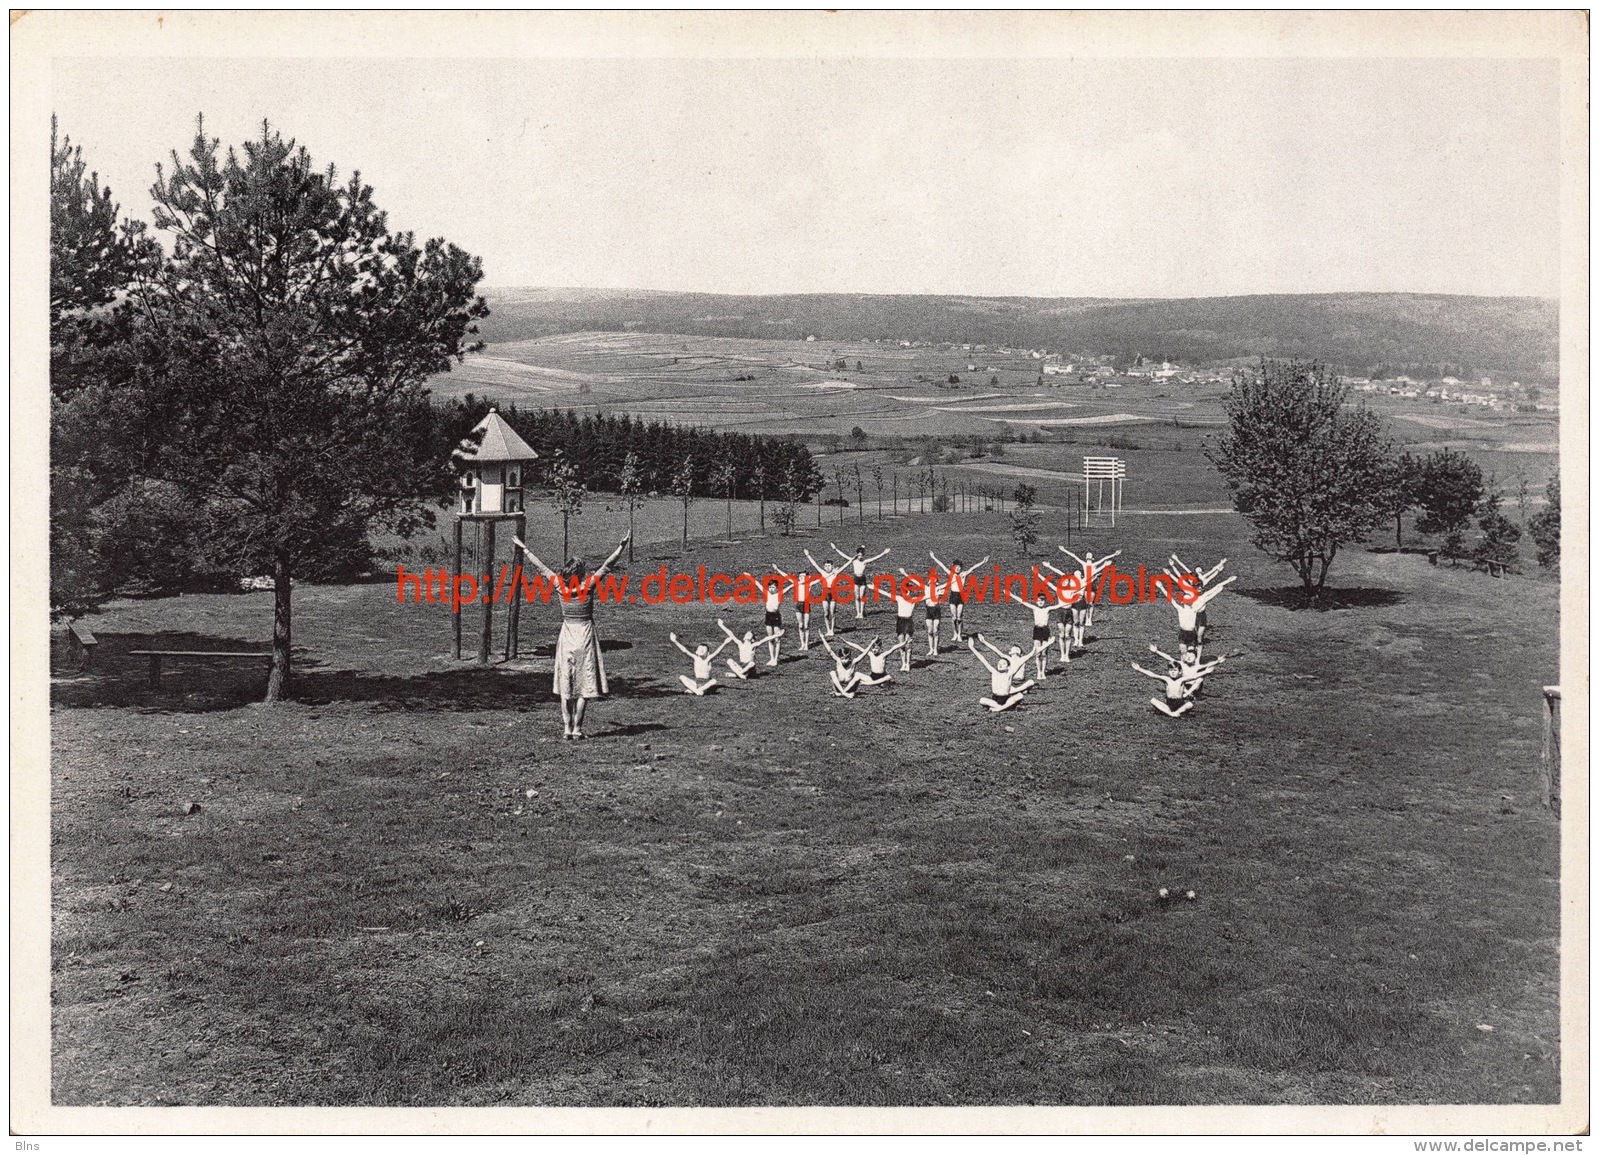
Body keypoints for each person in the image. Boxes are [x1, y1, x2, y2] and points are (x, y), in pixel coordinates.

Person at [514, 532, 630, 740]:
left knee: (566, 684)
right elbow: (608, 565)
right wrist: (621, 546)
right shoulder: (588, 585)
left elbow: (541, 567)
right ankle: (577, 728)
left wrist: (525, 548)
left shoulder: (559, 585)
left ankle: (567, 728)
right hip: (585, 635)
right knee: (585, 685)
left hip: (567, 636)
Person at [967, 634, 1048, 712]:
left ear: (1008, 667)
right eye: (999, 663)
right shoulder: (994, 672)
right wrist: (972, 647)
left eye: (1003, 664)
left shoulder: (1010, 673)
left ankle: (999, 708)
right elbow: (982, 659)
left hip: (1006, 698)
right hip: (995, 699)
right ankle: (1003, 708)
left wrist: (1034, 650)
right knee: (982, 700)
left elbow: (1027, 657)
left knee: (1020, 696)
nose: (1000, 665)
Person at [1167, 555, 1228, 649]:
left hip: (1201, 611)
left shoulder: (1202, 581)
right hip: (1194, 613)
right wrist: (1174, 564)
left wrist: (1219, 567)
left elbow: (1212, 574)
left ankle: (1198, 647)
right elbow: (1180, 576)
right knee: (1195, 632)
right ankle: (1194, 646)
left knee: (1199, 634)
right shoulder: (1189, 587)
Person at [1170, 574, 1237, 658]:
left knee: (1199, 635)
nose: (1200, 590)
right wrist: (1170, 574)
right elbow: (1180, 582)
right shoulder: (1190, 594)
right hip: (1193, 616)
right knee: (1193, 635)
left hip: (1200, 615)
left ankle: (1197, 652)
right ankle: (1191, 652)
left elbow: (1215, 589)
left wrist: (1228, 581)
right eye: (1198, 588)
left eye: (1201, 588)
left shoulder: (1203, 596)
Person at [930, 551, 989, 641]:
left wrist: (983, 562)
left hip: (961, 596)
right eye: (956, 567)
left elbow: (973, 568)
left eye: (959, 567)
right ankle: (955, 633)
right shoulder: (951, 574)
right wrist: (934, 557)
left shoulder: (963, 574)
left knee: (959, 617)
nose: (957, 569)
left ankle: (959, 635)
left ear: (961, 568)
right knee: (953, 618)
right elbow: (942, 565)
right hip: (953, 596)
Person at [1059, 546, 1122, 629]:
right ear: (1086, 558)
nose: (1088, 557)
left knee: (1091, 603)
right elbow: (1074, 556)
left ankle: (1089, 619)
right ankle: (1085, 619)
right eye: (1087, 556)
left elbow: (1104, 559)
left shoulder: (1094, 565)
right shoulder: (1084, 564)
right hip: (1085, 584)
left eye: (1090, 556)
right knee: (1085, 603)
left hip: (1091, 585)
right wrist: (1064, 550)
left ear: (1092, 558)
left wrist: (1114, 555)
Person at [1038, 559, 1087, 656]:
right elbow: (1047, 582)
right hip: (1060, 612)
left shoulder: (1072, 590)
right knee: (1061, 634)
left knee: (1067, 635)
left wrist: (1093, 578)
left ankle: (1067, 655)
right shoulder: (1058, 589)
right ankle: (1062, 655)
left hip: (1069, 612)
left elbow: (1084, 585)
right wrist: (1038, 574)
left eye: (1067, 581)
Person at [831, 543, 892, 619]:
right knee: (857, 597)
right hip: (856, 579)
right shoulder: (853, 561)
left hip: (862, 580)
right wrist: (835, 549)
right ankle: (858, 613)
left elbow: (875, 558)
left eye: (861, 555)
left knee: (862, 596)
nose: (860, 556)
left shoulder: (864, 562)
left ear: (863, 555)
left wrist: (884, 553)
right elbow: (844, 555)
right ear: (857, 555)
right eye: (859, 555)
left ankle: (862, 613)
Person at [898, 565, 947, 655]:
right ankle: (931, 649)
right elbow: (915, 581)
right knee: (930, 631)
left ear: (936, 582)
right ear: (928, 582)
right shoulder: (926, 588)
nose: (932, 581)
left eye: (934, 580)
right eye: (931, 580)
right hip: (929, 611)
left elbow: (949, 583)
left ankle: (935, 649)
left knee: (935, 630)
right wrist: (904, 573)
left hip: (936, 611)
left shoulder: (938, 589)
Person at [1023, 591, 1071, 679]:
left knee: (1044, 653)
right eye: (1039, 600)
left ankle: (1043, 672)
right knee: (1037, 653)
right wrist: (1010, 594)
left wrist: (1071, 600)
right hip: (1037, 631)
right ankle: (1039, 672)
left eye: (1042, 600)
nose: (1040, 602)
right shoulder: (1034, 608)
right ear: (1036, 601)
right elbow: (1022, 602)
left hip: (1045, 631)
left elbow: (1059, 605)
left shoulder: (1047, 609)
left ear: (1045, 601)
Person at [1147, 643, 1227, 696]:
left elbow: (1208, 665)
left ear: (1195, 659)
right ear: (1184, 657)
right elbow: (1168, 657)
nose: (1189, 657)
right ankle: (1186, 694)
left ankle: (1189, 694)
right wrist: (1156, 651)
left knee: (1200, 679)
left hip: (1193, 687)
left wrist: (1217, 662)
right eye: (1187, 656)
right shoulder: (1182, 664)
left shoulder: (1197, 666)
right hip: (1183, 685)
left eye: (1191, 656)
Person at [669, 631, 732, 695]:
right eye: (700, 649)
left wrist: (725, 643)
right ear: (696, 652)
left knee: (714, 681)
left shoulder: (708, 659)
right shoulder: (695, 658)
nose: (701, 650)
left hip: (706, 685)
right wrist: (675, 641)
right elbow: (685, 651)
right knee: (681, 677)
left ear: (708, 653)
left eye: (704, 649)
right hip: (696, 683)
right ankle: (696, 691)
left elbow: (717, 652)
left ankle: (695, 690)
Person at [1130, 659, 1198, 718]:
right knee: (1153, 700)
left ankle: (1176, 712)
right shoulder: (1166, 679)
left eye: (1175, 670)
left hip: (1180, 704)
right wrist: (1139, 669)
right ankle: (1171, 714)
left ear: (1180, 671)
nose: (1173, 672)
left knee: (1190, 704)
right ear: (1168, 671)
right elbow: (1153, 675)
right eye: (1171, 670)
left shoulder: (1182, 680)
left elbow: (1194, 676)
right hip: (1169, 705)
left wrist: (1204, 672)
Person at [718, 618, 783, 679]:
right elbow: (730, 633)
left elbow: (765, 639)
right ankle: (741, 675)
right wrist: (721, 625)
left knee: (752, 663)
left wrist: (776, 635)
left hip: (750, 669)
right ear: (744, 638)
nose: (748, 634)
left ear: (752, 640)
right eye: (747, 634)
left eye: (750, 634)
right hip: (741, 666)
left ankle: (738, 675)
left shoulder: (753, 645)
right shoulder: (740, 644)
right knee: (729, 660)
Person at [803, 549, 847, 637]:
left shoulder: (835, 573)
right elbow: (815, 564)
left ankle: (832, 630)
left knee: (832, 613)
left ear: (832, 566)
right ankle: (828, 630)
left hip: (833, 594)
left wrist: (852, 559)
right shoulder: (823, 572)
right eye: (826, 566)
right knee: (826, 613)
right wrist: (808, 555)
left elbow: (845, 566)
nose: (827, 567)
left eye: (829, 566)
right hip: (825, 594)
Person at [771, 563, 814, 650]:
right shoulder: (796, 583)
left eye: (803, 576)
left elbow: (822, 578)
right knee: (800, 625)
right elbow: (786, 576)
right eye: (800, 576)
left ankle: (806, 644)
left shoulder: (809, 584)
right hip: (798, 605)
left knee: (806, 625)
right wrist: (777, 569)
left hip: (806, 604)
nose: (801, 578)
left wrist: (833, 573)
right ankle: (802, 644)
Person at [842, 635, 910, 686]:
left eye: (876, 648)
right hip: (873, 676)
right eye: (873, 648)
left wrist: (905, 642)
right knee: (857, 674)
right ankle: (872, 683)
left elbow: (894, 648)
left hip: (882, 676)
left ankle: (868, 683)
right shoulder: (870, 654)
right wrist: (847, 642)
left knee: (888, 677)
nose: (874, 650)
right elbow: (858, 647)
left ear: (880, 648)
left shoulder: (883, 655)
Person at [890, 578, 919, 671]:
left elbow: (926, 596)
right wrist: (874, 588)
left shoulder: (913, 600)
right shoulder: (899, 598)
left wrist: (936, 593)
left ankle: (908, 664)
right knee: (901, 644)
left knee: (908, 644)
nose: (906, 593)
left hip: (908, 621)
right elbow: (886, 594)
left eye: (908, 591)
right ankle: (903, 663)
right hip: (900, 621)